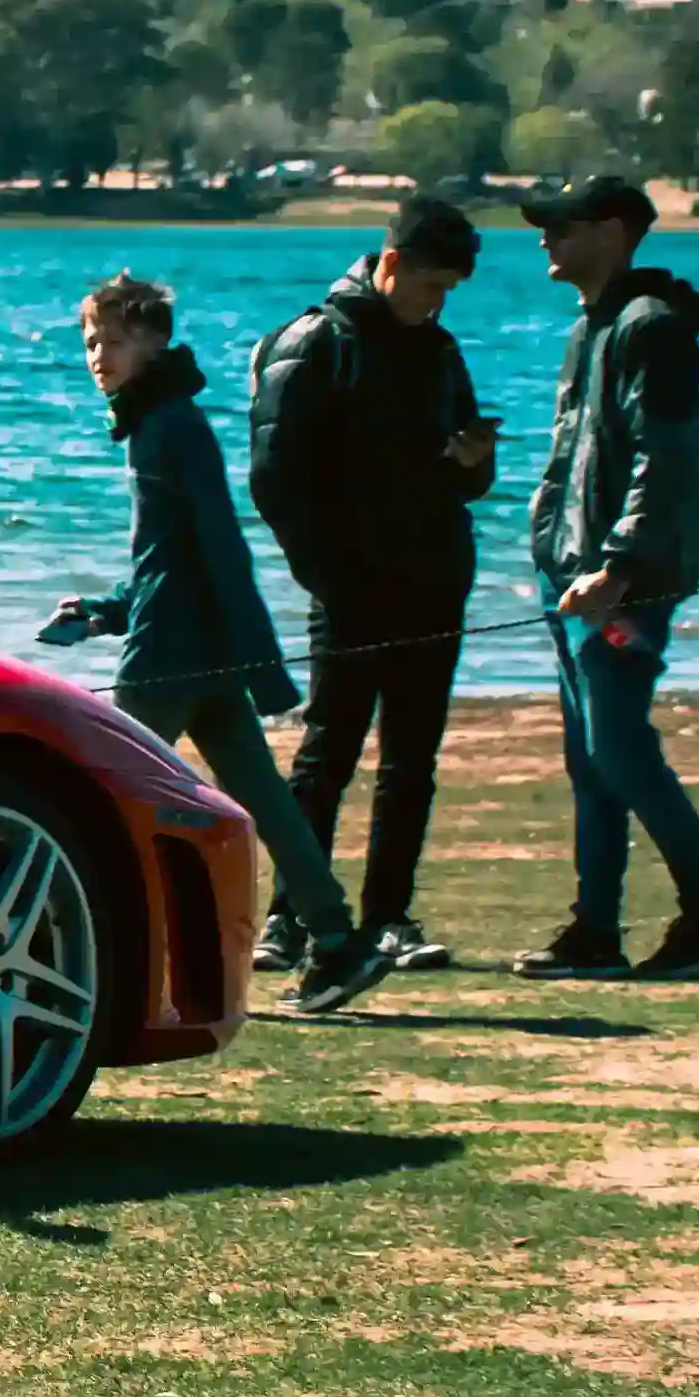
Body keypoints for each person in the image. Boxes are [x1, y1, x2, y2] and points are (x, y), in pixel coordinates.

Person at [53, 274, 398, 1016]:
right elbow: (168, 555)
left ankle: (93, 957)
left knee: (105, 798)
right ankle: (339, 940)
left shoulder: (169, 424)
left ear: (154, 342)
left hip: (172, 652)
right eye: (90, 343)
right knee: (265, 799)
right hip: (192, 644)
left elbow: (219, 546)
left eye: (113, 341)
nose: (98, 356)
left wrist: (259, 662)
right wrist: (107, 608)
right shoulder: (160, 419)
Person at [245, 190, 497, 974]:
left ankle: (391, 915)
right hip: (348, 588)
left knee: (411, 758)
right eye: (430, 286)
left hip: (433, 579)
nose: (438, 302)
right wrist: (328, 575)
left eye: (449, 290)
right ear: (391, 264)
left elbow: (471, 478)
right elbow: (274, 478)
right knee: (328, 752)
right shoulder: (314, 342)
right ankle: (292, 913)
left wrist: (472, 462)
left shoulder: (441, 350)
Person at [512, 175, 699, 977]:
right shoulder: (595, 324)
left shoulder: (653, 330)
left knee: (618, 747)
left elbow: (666, 460)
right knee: (591, 757)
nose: (544, 237)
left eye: (560, 224)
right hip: (574, 574)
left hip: (625, 579)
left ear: (613, 230)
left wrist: (618, 566)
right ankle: (595, 929)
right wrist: (552, 551)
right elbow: (572, 458)